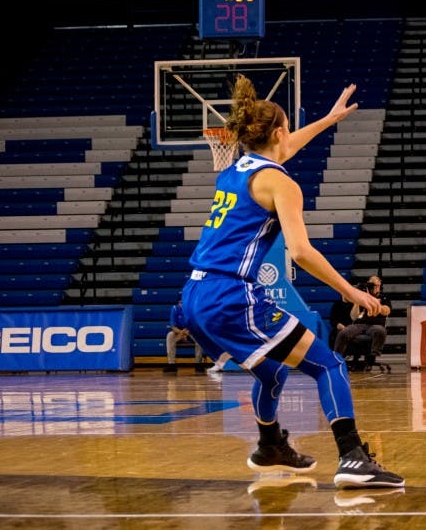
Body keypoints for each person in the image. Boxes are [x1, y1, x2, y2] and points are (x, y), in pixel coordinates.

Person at [180, 73, 403, 489]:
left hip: (194, 295)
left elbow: (287, 146)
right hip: (230, 293)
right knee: (328, 363)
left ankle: (269, 446)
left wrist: (329, 119)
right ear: (280, 131)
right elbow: (300, 252)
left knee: (272, 372)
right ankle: (353, 457)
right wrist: (350, 290)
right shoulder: (282, 183)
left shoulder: (235, 169)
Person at [333, 275, 390, 370]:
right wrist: (357, 301)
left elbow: (387, 310)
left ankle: (372, 358)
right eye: (372, 285)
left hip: (375, 324)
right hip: (359, 324)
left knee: (380, 330)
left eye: (377, 285)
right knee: (344, 332)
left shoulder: (383, 297)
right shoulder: (363, 296)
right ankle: (336, 358)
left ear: (380, 286)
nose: (375, 288)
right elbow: (353, 316)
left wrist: (378, 306)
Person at [164, 292, 206, 373]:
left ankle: (198, 364)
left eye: (184, 302)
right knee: (170, 335)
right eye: (181, 302)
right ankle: (171, 364)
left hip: (191, 331)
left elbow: (195, 324)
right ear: (178, 302)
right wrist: (181, 332)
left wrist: (187, 332)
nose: (183, 304)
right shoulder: (175, 309)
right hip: (179, 332)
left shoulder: (192, 309)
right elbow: (173, 326)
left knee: (200, 338)